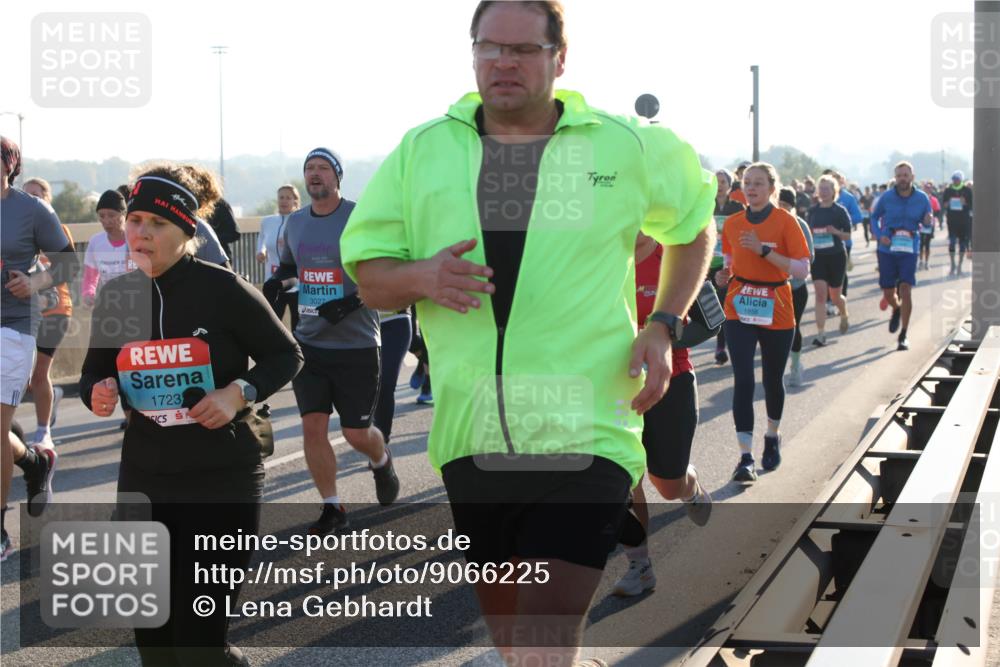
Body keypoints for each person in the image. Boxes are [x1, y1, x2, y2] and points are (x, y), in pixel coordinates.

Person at [341, 3, 715, 665]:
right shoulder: (423, 150)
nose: (503, 63)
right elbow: (370, 277)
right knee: (517, 643)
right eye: (489, 48)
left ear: (559, 59)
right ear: (472, 53)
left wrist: (663, 323)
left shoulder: (621, 146)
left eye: (522, 49)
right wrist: (423, 275)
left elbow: (692, 226)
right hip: (472, 434)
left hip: (589, 426)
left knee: (543, 636)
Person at [79, 162, 303, 666]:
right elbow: (93, 372)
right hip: (144, 478)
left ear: (186, 230)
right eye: (135, 221)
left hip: (219, 479)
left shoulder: (223, 289)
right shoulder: (118, 295)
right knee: (155, 646)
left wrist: (236, 393)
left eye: (156, 224)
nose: (141, 233)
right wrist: (99, 391)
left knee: (198, 644)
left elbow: (287, 355)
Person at [263, 147, 399, 536]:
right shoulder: (296, 223)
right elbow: (291, 268)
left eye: (323, 168)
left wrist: (352, 301)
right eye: (310, 168)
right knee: (313, 427)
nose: (315, 174)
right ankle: (332, 506)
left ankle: (381, 458)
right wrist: (278, 282)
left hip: (357, 343)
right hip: (310, 343)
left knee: (356, 433)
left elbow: (383, 267)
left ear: (338, 177)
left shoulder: (359, 217)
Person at [612, 232, 711, 598]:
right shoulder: (600, 257)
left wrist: (659, 335)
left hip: (672, 380)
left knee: (666, 484)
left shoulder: (676, 255)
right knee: (620, 477)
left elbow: (710, 321)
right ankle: (639, 564)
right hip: (612, 386)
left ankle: (689, 485)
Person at [1, 137, 79, 560]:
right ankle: (33, 462)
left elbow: (68, 263)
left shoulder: (31, 209)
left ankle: (1, 532)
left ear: (8, 167)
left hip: (13, 324)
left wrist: (33, 283)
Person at [715, 163, 810, 483]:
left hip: (777, 306)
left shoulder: (786, 222)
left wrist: (764, 251)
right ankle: (744, 456)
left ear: (772, 188)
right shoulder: (732, 223)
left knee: (771, 378)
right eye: (747, 183)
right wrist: (723, 274)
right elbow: (730, 260)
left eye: (759, 183)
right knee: (743, 378)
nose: (752, 188)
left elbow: (800, 270)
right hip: (739, 305)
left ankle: (772, 434)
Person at [22, 178, 74, 447]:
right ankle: (53, 396)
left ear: (48, 200)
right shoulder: (13, 230)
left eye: (38, 195)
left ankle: (43, 433)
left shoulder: (58, 229)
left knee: (39, 374)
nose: (32, 199)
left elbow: (66, 269)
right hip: (21, 312)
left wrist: (39, 288)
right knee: (22, 378)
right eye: (27, 195)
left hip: (55, 309)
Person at [870, 161, 933, 351]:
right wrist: (880, 236)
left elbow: (928, 221)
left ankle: (903, 334)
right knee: (888, 292)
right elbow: (874, 217)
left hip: (909, 249)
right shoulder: (887, 197)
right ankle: (896, 308)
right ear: (895, 178)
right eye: (899, 176)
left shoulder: (922, 198)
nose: (902, 179)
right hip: (887, 250)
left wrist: (928, 220)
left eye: (905, 175)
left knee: (905, 288)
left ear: (912, 177)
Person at [807, 174, 851, 346]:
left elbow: (847, 235)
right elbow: (808, 233)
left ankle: (844, 311)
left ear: (834, 191)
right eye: (821, 188)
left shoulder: (839, 211)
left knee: (835, 296)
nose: (824, 192)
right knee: (820, 295)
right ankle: (821, 334)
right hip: (818, 257)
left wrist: (836, 232)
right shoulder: (812, 211)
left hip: (836, 257)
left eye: (827, 189)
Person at [777, 187, 813, 387]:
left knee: (793, 327)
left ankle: (795, 365)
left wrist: (789, 265)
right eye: (779, 204)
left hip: (796, 287)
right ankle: (776, 368)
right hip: (773, 288)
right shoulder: (769, 224)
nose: (782, 208)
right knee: (773, 331)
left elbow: (810, 257)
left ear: (792, 207)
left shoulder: (801, 225)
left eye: (786, 205)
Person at [710, 168, 745, 365]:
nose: (720, 185)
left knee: (726, 304)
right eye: (717, 181)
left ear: (730, 185)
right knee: (714, 305)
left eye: (723, 182)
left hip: (728, 264)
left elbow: (743, 231)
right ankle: (721, 343)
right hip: (708, 262)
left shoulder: (737, 207)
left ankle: (724, 344)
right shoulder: (706, 205)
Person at [256, 184, 301, 330]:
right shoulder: (268, 221)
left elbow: (307, 247)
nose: (284, 201)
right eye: (281, 197)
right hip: (274, 281)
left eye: (288, 197)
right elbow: (262, 239)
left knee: (298, 324)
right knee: (272, 324)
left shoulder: (299, 220)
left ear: (295, 201)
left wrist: (290, 243)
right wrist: (261, 252)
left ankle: (300, 351)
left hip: (296, 283)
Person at [82, 189, 133, 307]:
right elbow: (90, 277)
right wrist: (88, 294)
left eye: (111, 215)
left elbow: (136, 275)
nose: (106, 221)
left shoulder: (134, 240)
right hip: (109, 303)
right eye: (102, 216)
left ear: (123, 215)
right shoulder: (95, 242)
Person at [941, 170, 973, 276]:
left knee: (963, 245)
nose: (955, 181)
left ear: (961, 180)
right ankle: (953, 264)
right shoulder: (948, 190)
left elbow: (972, 206)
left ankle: (959, 265)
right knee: (952, 243)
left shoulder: (967, 190)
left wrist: (965, 203)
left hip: (964, 222)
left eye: (957, 179)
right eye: (954, 179)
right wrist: (948, 203)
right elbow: (944, 205)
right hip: (952, 221)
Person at [919, 181, 939, 271]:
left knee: (927, 244)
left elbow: (938, 211)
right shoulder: (919, 198)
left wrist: (932, 218)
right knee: (920, 244)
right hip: (920, 224)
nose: (927, 189)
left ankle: (926, 262)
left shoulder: (934, 200)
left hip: (930, 225)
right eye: (926, 187)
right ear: (923, 188)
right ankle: (920, 261)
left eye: (929, 187)